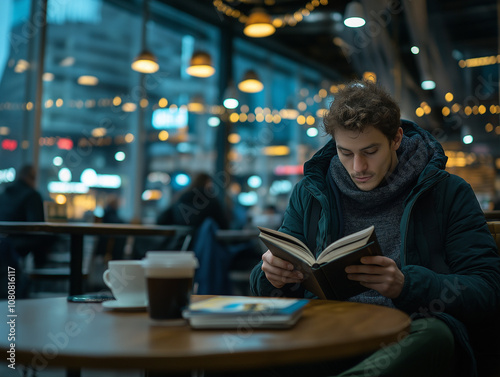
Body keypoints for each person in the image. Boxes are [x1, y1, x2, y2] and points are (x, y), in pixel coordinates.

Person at [249, 80, 500, 377]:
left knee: (435, 336)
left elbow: (488, 289)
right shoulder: (311, 192)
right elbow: (275, 278)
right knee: (242, 350)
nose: (358, 167)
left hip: (410, 330)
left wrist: (407, 286)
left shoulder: (448, 193)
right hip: (328, 330)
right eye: (345, 152)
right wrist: (271, 276)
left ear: (396, 138)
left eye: (370, 151)